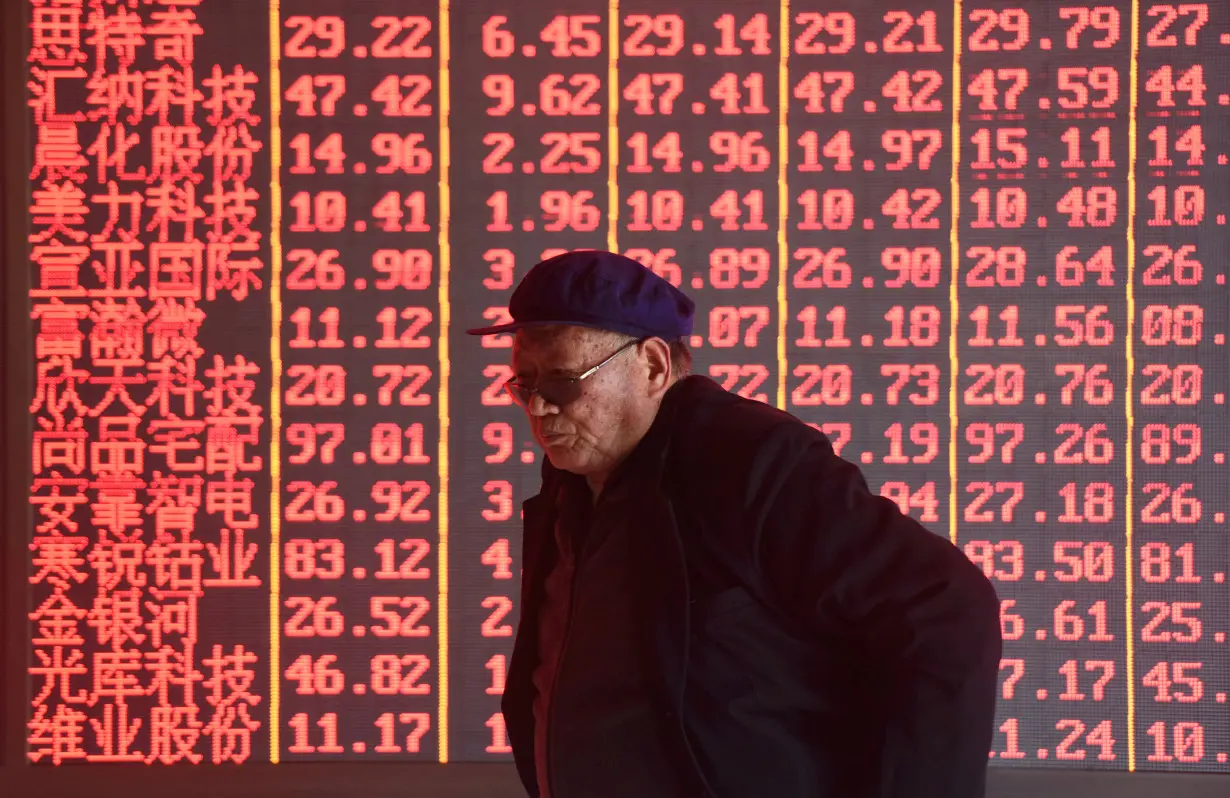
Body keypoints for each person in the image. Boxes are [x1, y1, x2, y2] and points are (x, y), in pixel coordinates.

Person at [467, 250, 1002, 798]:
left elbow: (947, 607)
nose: (538, 409)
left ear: (652, 365)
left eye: (560, 381)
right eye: (523, 384)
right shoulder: (570, 484)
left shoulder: (751, 462)